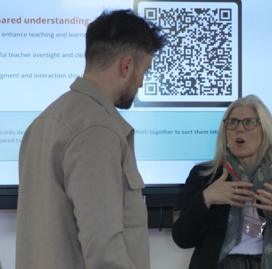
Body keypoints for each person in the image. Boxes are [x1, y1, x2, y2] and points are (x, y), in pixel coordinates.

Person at [16, 9, 165, 269]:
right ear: (126, 66)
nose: (141, 82)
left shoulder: (45, 121)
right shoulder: (96, 130)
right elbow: (104, 252)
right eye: (145, 70)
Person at [172, 95, 272, 269]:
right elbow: (182, 238)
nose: (239, 129)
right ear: (225, 133)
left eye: (248, 123)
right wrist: (207, 198)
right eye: (233, 123)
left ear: (265, 131)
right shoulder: (205, 176)